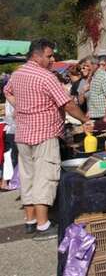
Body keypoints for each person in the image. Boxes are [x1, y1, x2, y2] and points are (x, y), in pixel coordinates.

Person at [4, 39, 92, 240]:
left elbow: (7, 91)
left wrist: (22, 106)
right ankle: (43, 225)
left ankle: (30, 221)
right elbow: (67, 104)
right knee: (45, 178)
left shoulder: (17, 74)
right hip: (44, 133)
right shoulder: (46, 77)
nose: (52, 59)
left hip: (23, 133)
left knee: (28, 177)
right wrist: (85, 119)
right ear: (36, 55)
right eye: (49, 55)